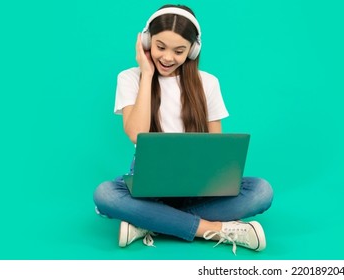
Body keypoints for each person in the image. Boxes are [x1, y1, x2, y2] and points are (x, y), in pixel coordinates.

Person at [93, 4, 273, 255]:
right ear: (146, 41)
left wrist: (210, 180)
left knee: (262, 191)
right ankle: (216, 229)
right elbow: (135, 133)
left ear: (192, 50)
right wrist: (146, 74)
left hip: (198, 185)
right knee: (106, 195)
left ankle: (149, 222)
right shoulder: (130, 78)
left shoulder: (208, 83)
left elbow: (215, 147)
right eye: (160, 47)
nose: (167, 58)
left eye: (179, 51)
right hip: (149, 184)